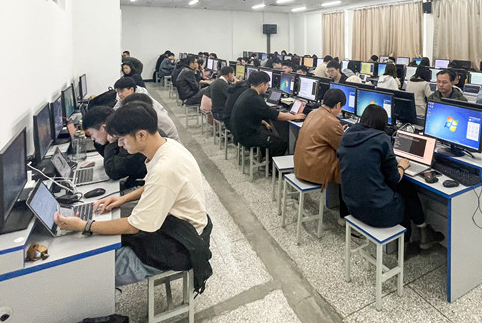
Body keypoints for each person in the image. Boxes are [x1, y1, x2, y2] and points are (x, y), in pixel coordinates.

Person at [54, 103, 213, 290]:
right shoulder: (168, 147)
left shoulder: (164, 168)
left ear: (141, 135)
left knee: (96, 271)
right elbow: (153, 186)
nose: (120, 144)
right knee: (109, 237)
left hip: (181, 243)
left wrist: (84, 226)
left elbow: (134, 225)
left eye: (122, 139)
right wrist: (122, 199)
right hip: (177, 225)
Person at [337, 104, 442, 251]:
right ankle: (407, 243)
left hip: (353, 207)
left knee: (403, 187)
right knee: (405, 190)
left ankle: (418, 235)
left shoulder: (346, 135)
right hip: (378, 214)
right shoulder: (381, 139)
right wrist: (402, 166)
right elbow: (394, 178)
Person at [293, 89, 349, 224]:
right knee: (348, 167)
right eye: (341, 107)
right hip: (312, 169)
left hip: (301, 164)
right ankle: (345, 216)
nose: (340, 110)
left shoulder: (313, 112)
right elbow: (342, 148)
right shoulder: (332, 122)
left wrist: (339, 131)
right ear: (338, 105)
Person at [230, 72, 305, 157]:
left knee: (267, 129)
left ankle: (265, 158)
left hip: (239, 131)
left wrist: (264, 122)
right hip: (246, 136)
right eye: (267, 84)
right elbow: (275, 115)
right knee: (281, 144)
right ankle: (271, 165)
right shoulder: (255, 99)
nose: (268, 87)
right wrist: (294, 116)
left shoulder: (247, 93)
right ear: (262, 85)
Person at [82, 106, 147, 187]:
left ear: (104, 128)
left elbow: (114, 172)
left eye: (91, 133)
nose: (92, 138)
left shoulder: (128, 138)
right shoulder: (121, 131)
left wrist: (111, 144)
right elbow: (109, 159)